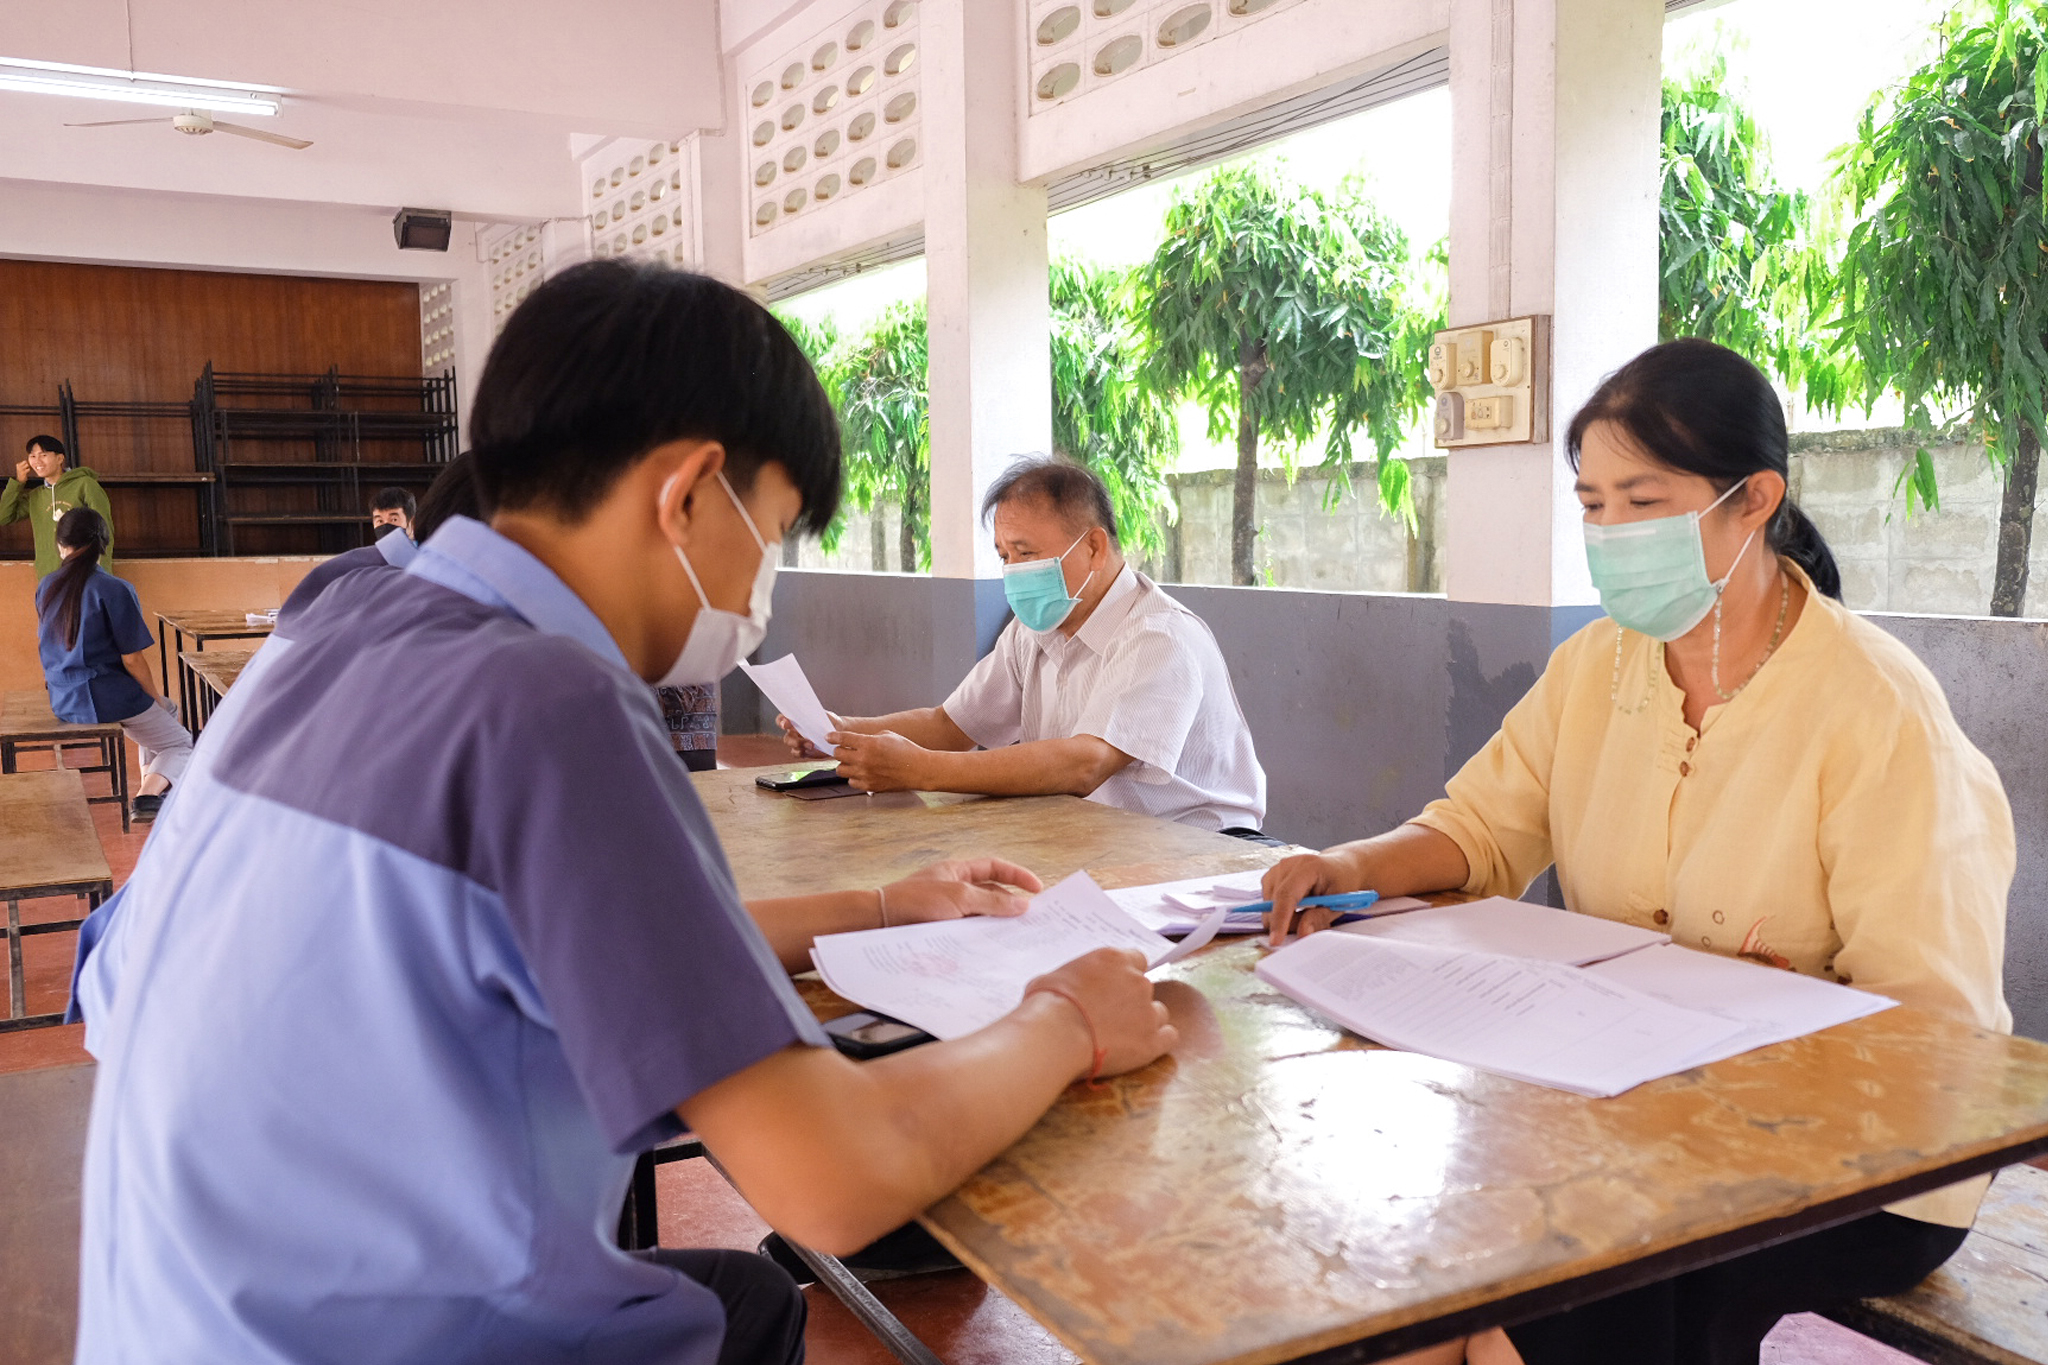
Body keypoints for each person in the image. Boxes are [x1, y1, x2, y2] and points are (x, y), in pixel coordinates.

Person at [66, 260, 1178, 1365]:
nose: (757, 587)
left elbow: (564, 944)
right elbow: (832, 1177)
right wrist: (1066, 1018)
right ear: (688, 492)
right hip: (392, 1337)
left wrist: (885, 901)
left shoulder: (330, 626)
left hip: (186, 1323)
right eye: (772, 529)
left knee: (734, 1295)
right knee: (727, 1302)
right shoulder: (548, 700)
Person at [1259, 338, 2013, 1365]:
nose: (1608, 532)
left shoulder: (1874, 711)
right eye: (1590, 503)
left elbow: (1933, 1038)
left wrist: (1719, 1074)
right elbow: (1479, 826)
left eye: (1642, 501)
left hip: (1865, 1161)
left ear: (1752, 500)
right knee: (1440, 1253)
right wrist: (1351, 867)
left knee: (1574, 1271)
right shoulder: (1596, 667)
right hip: (1627, 1114)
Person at [781, 455, 1270, 835]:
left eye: (1026, 553)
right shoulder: (1033, 630)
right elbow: (951, 725)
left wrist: (922, 769)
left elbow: (1086, 764)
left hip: (1200, 850)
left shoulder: (1158, 636)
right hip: (1097, 837)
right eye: (1004, 555)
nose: (1013, 570)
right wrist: (842, 732)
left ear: (1094, 548)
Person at [36, 508, 191, 823]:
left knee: (168, 710)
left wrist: (160, 704)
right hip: (106, 697)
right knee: (182, 743)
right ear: (103, 544)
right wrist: (154, 698)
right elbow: (132, 659)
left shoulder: (47, 586)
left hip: (63, 697)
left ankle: (154, 784)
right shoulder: (114, 588)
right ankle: (147, 797)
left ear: (60, 545)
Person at [275, 453, 476, 629]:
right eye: (379, 520)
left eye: (394, 519)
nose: (385, 526)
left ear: (411, 521)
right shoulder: (356, 568)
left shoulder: (425, 562)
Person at [4, 434, 114, 577]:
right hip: (49, 575)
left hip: (84, 573)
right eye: (32, 456)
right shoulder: (36, 496)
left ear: (60, 458)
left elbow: (104, 529)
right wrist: (17, 483)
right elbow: (3, 516)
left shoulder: (85, 485)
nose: (37, 461)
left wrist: (102, 572)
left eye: (43, 455)